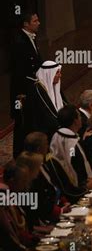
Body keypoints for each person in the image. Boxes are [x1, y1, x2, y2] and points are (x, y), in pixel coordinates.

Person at [11, 12, 43, 157]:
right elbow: (18, 71)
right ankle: (18, 154)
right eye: (35, 21)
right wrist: (21, 94)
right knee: (21, 122)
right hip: (22, 91)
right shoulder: (20, 43)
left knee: (28, 121)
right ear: (26, 24)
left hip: (30, 88)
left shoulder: (29, 39)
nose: (38, 23)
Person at [23, 132, 71, 223]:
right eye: (46, 144)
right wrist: (60, 211)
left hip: (57, 207)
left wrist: (63, 201)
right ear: (39, 149)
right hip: (46, 218)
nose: (48, 147)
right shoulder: (32, 172)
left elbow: (53, 186)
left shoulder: (44, 164)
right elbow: (40, 202)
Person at [50, 105, 92, 192]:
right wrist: (86, 183)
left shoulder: (59, 135)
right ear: (75, 121)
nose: (81, 119)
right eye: (79, 116)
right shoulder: (70, 141)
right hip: (76, 188)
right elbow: (73, 165)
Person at [23, 61, 67, 141]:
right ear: (49, 74)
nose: (60, 75)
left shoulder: (54, 84)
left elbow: (65, 103)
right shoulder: (38, 89)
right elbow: (47, 113)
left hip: (54, 124)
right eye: (57, 73)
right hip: (43, 130)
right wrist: (62, 125)